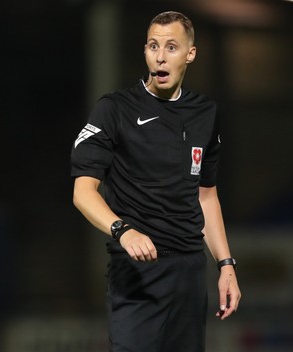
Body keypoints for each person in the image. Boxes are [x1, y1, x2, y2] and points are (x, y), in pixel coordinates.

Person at [71, 11, 241, 352]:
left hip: (189, 272)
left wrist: (225, 264)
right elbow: (82, 192)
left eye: (171, 46)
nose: (160, 56)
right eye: (153, 46)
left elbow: (206, 195)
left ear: (190, 54)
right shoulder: (115, 109)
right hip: (137, 273)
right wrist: (123, 229)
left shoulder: (205, 114)